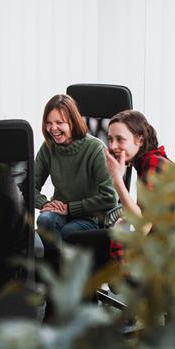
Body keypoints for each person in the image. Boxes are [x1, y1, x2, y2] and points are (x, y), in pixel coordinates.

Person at [67, 110, 170, 269]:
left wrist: (117, 180)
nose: (113, 146)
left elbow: (143, 225)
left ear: (139, 140)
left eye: (120, 139)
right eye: (110, 139)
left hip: (163, 255)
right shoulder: (148, 162)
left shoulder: (154, 164)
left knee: (75, 242)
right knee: (79, 239)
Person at [35, 94, 117, 263]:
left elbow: (110, 198)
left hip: (89, 217)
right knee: (44, 219)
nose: (53, 128)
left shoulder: (95, 149)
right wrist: (44, 203)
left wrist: (70, 208)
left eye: (59, 122)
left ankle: (64, 279)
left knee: (68, 233)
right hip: (59, 211)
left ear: (73, 121)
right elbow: (28, 186)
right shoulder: (48, 147)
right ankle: (56, 276)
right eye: (49, 123)